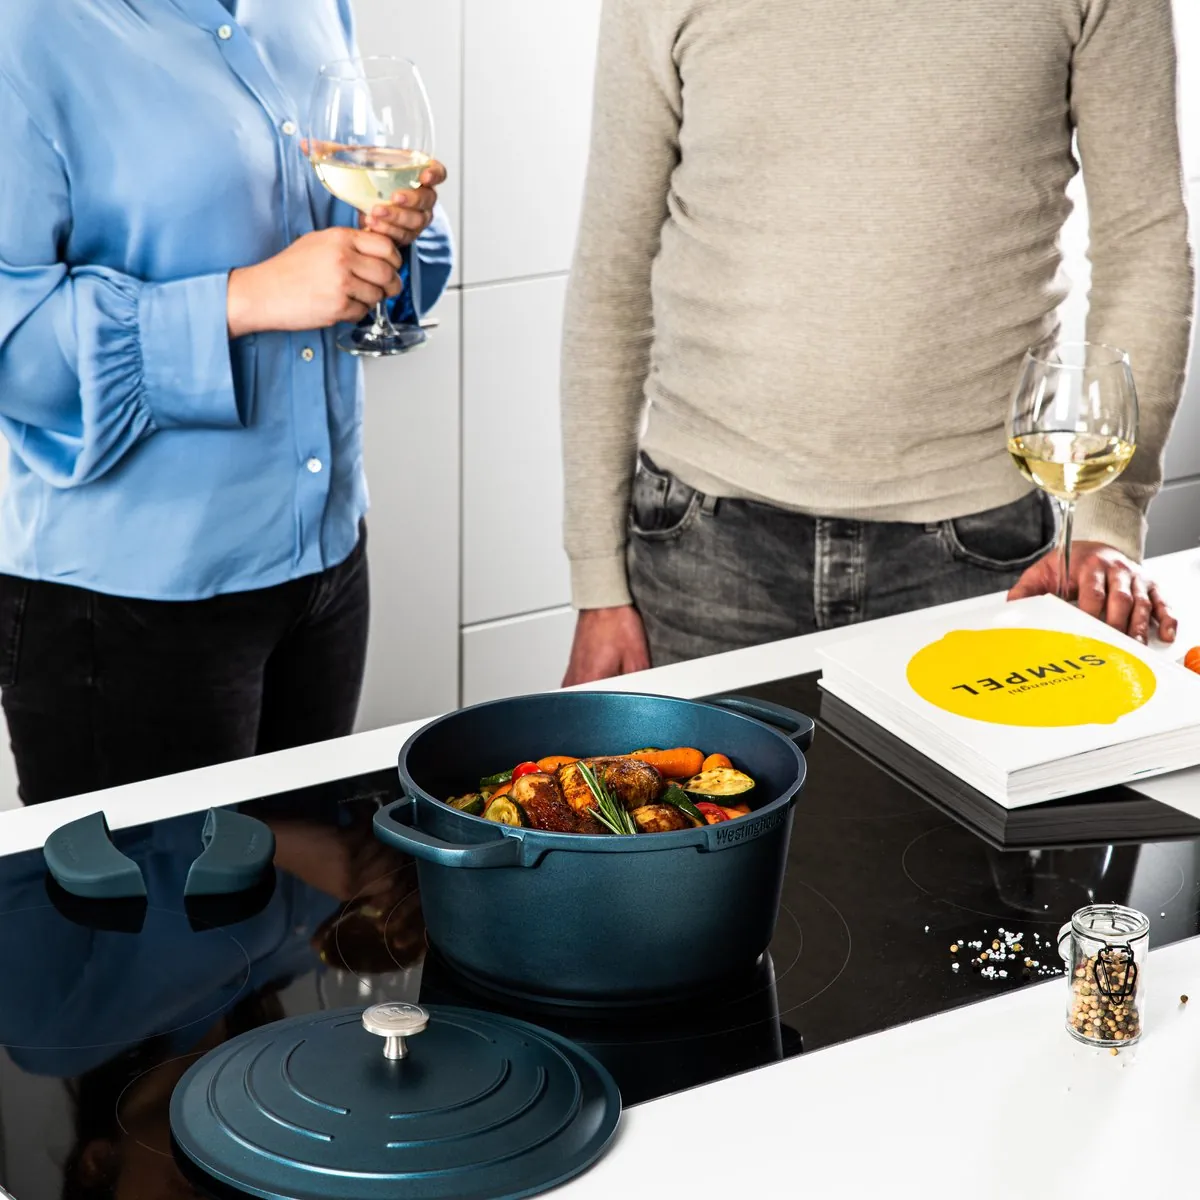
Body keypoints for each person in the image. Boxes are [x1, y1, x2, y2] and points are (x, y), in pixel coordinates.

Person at [560, 0, 1194, 685]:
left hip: (985, 544)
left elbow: (1143, 243)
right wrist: (599, 585)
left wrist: (1104, 519)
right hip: (704, 546)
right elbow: (613, 270)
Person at [0, 0, 453, 803]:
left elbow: (360, 205)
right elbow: (16, 355)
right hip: (128, 607)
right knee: (161, 888)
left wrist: (396, 234)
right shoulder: (28, 30)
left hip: (327, 568)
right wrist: (243, 299)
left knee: (301, 885)